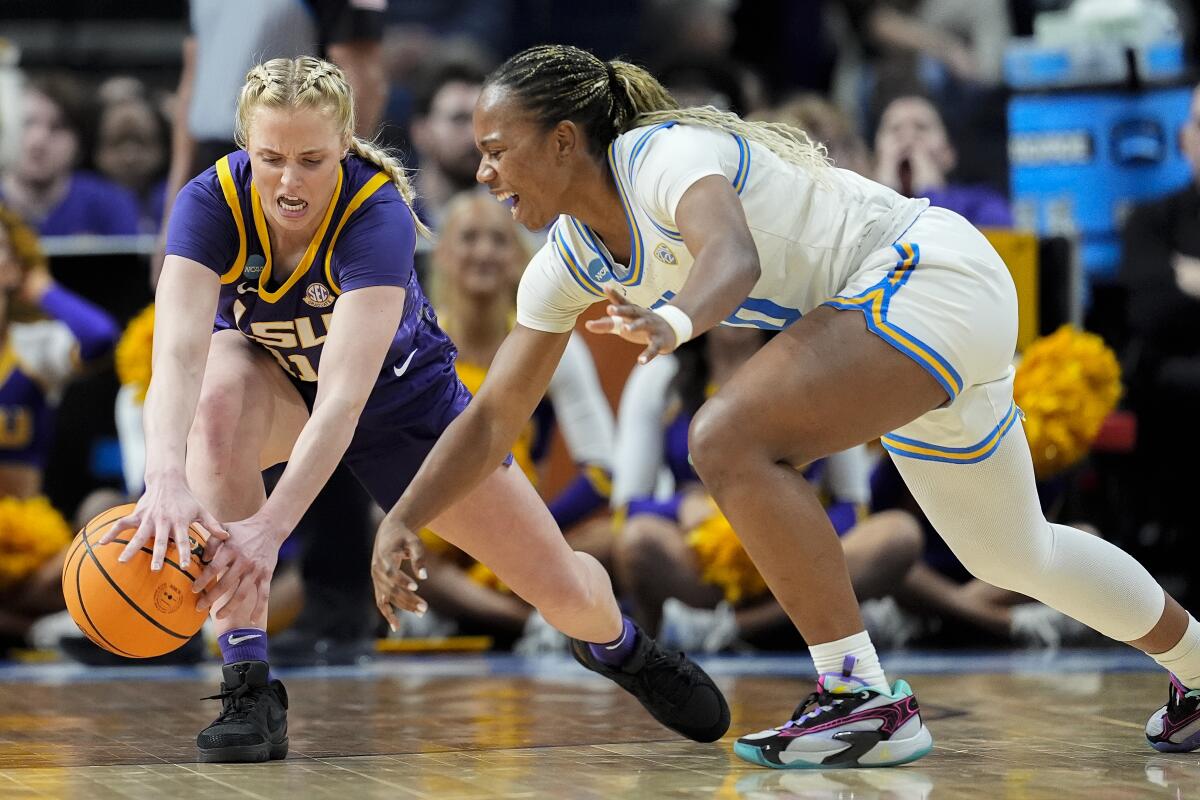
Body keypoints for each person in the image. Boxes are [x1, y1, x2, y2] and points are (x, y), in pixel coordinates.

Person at [370, 43, 1200, 769]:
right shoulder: (566, 262)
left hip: (925, 273)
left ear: (560, 141)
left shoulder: (661, 156)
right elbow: (490, 418)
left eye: (494, 150)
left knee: (725, 435)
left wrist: (674, 317)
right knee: (1017, 556)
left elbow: (729, 253)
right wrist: (407, 515)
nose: (481, 173)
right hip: (914, 315)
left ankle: (858, 697)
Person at [103, 56, 728, 764]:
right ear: (245, 147)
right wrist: (163, 478)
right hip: (275, 388)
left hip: (403, 407)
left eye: (312, 159)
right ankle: (248, 682)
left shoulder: (375, 213)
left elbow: (344, 398)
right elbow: (176, 356)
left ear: (344, 145)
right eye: (271, 157)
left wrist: (271, 529)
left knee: (563, 593)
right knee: (216, 393)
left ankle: (620, 647)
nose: (289, 180)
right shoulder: (209, 202)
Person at [612, 327, 923, 651]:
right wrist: (682, 506)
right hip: (707, 565)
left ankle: (733, 629)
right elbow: (626, 506)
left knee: (898, 534)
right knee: (637, 539)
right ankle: (794, 626)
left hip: (805, 559)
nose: (736, 308)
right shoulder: (660, 373)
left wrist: (792, 527)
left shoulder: (817, 367)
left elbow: (854, 503)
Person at [414, 190, 616, 647]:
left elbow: (605, 470)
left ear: (519, 257)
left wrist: (533, 525)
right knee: (394, 544)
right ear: (443, 254)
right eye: (469, 238)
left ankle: (473, 617)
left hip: (528, 527)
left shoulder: (549, 345)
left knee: (610, 540)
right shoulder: (417, 346)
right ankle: (535, 624)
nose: (484, 252)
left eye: (498, 240)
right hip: (441, 534)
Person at [0, 75, 140, 237]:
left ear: (79, 143)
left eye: (57, 127)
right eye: (27, 123)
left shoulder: (110, 204)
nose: (38, 140)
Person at [874, 94, 1011, 228]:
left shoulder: (984, 203)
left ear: (948, 153)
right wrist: (882, 196)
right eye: (895, 129)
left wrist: (930, 194)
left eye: (921, 127)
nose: (908, 137)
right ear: (876, 153)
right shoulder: (854, 202)